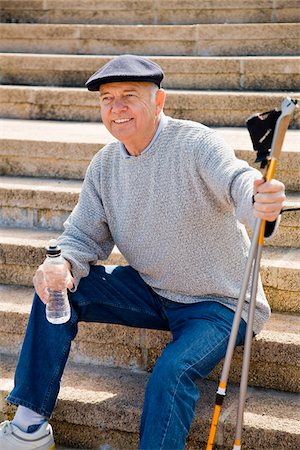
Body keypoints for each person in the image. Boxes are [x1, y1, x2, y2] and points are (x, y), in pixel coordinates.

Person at [0, 55, 286, 450]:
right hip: (154, 291)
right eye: (107, 98)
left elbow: (237, 181)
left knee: (170, 373)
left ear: (158, 101)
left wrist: (259, 198)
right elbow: (81, 235)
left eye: (129, 96)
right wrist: (62, 263)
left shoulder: (196, 143)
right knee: (56, 286)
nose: (116, 108)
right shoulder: (104, 165)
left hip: (221, 302)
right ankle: (29, 427)